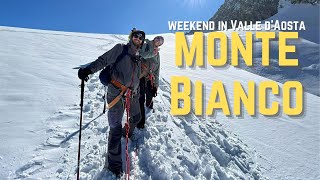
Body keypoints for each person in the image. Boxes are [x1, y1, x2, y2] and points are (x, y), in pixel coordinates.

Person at [77, 30, 145, 176]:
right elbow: (103, 60)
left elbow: (137, 78)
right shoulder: (120, 49)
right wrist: (88, 70)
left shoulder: (138, 58)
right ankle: (114, 165)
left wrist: (136, 91)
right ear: (131, 38)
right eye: (136, 36)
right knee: (115, 128)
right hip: (115, 92)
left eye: (141, 38)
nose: (138, 39)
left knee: (137, 117)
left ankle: (126, 132)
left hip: (131, 95)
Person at [137, 36, 164, 129]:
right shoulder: (146, 45)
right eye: (158, 39)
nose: (159, 41)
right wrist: (152, 53)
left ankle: (149, 106)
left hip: (150, 77)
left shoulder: (157, 54)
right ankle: (140, 122)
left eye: (161, 41)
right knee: (140, 98)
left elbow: (157, 69)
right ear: (154, 39)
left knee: (150, 94)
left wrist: (156, 84)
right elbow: (142, 55)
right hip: (140, 75)